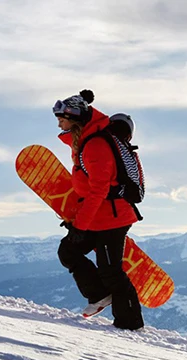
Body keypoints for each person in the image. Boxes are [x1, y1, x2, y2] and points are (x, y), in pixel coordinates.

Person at [53, 89, 144, 330]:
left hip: (112, 217)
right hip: (100, 215)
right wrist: (77, 219)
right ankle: (99, 296)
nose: (59, 122)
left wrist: (80, 225)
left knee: (110, 271)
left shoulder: (95, 145)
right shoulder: (86, 142)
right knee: (68, 251)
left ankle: (130, 324)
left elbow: (99, 190)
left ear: (76, 118)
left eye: (62, 117)